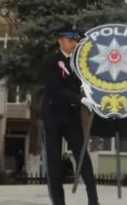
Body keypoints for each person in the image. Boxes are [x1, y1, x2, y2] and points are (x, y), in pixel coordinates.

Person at [41, 24, 100, 205]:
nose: (74, 44)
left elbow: (87, 83)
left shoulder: (79, 63)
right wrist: (80, 99)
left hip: (71, 116)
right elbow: (56, 88)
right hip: (52, 115)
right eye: (70, 40)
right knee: (53, 161)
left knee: (82, 155)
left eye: (75, 40)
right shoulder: (51, 61)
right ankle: (58, 202)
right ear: (60, 40)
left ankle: (93, 199)